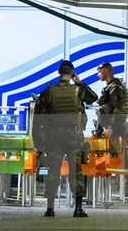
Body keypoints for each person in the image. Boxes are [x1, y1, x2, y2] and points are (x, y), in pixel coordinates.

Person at [33, 60, 98, 218]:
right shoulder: (78, 91)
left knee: (53, 171)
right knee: (76, 171)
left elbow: (38, 116)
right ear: (72, 73)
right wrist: (80, 82)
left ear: (58, 73)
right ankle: (78, 208)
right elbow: (93, 98)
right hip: (73, 137)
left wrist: (39, 141)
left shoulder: (49, 91)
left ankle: (50, 208)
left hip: (54, 137)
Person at [96, 62, 128, 159]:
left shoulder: (115, 88)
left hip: (115, 131)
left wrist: (111, 127)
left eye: (100, 72)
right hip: (108, 128)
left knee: (115, 160)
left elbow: (118, 109)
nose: (98, 75)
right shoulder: (109, 87)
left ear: (107, 71)